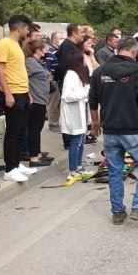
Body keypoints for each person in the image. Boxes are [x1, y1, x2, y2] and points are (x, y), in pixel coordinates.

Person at [90, 37, 138, 225]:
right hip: (133, 130)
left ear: (117, 49)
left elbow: (93, 100)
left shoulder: (100, 71)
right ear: (133, 51)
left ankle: (117, 212)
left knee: (115, 171)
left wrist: (95, 122)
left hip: (110, 130)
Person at [0, 15, 38, 182]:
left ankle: (17, 163)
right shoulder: (4, 44)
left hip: (22, 92)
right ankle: (9, 168)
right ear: (20, 28)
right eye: (27, 28)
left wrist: (27, 92)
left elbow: (18, 70)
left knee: (21, 130)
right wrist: (7, 92)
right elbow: (0, 70)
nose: (27, 32)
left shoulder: (16, 45)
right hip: (12, 92)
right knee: (12, 131)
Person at [24, 39, 55, 168]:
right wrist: (27, 93)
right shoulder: (30, 62)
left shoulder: (38, 63)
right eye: (45, 48)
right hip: (35, 99)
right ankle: (34, 158)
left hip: (41, 99)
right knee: (34, 130)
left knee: (37, 129)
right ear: (38, 50)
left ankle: (37, 153)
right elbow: (24, 77)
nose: (47, 51)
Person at [60, 51, 90, 179]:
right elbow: (66, 96)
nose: (85, 62)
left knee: (81, 140)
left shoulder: (78, 74)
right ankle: (72, 169)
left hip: (80, 109)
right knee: (76, 140)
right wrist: (84, 93)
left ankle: (78, 166)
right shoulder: (70, 75)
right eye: (84, 60)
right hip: (73, 112)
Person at [45, 32, 62, 132]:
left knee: (57, 101)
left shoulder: (57, 51)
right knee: (53, 103)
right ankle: (53, 124)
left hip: (57, 80)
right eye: (60, 39)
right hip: (52, 80)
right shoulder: (51, 51)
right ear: (54, 40)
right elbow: (47, 66)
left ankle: (56, 123)